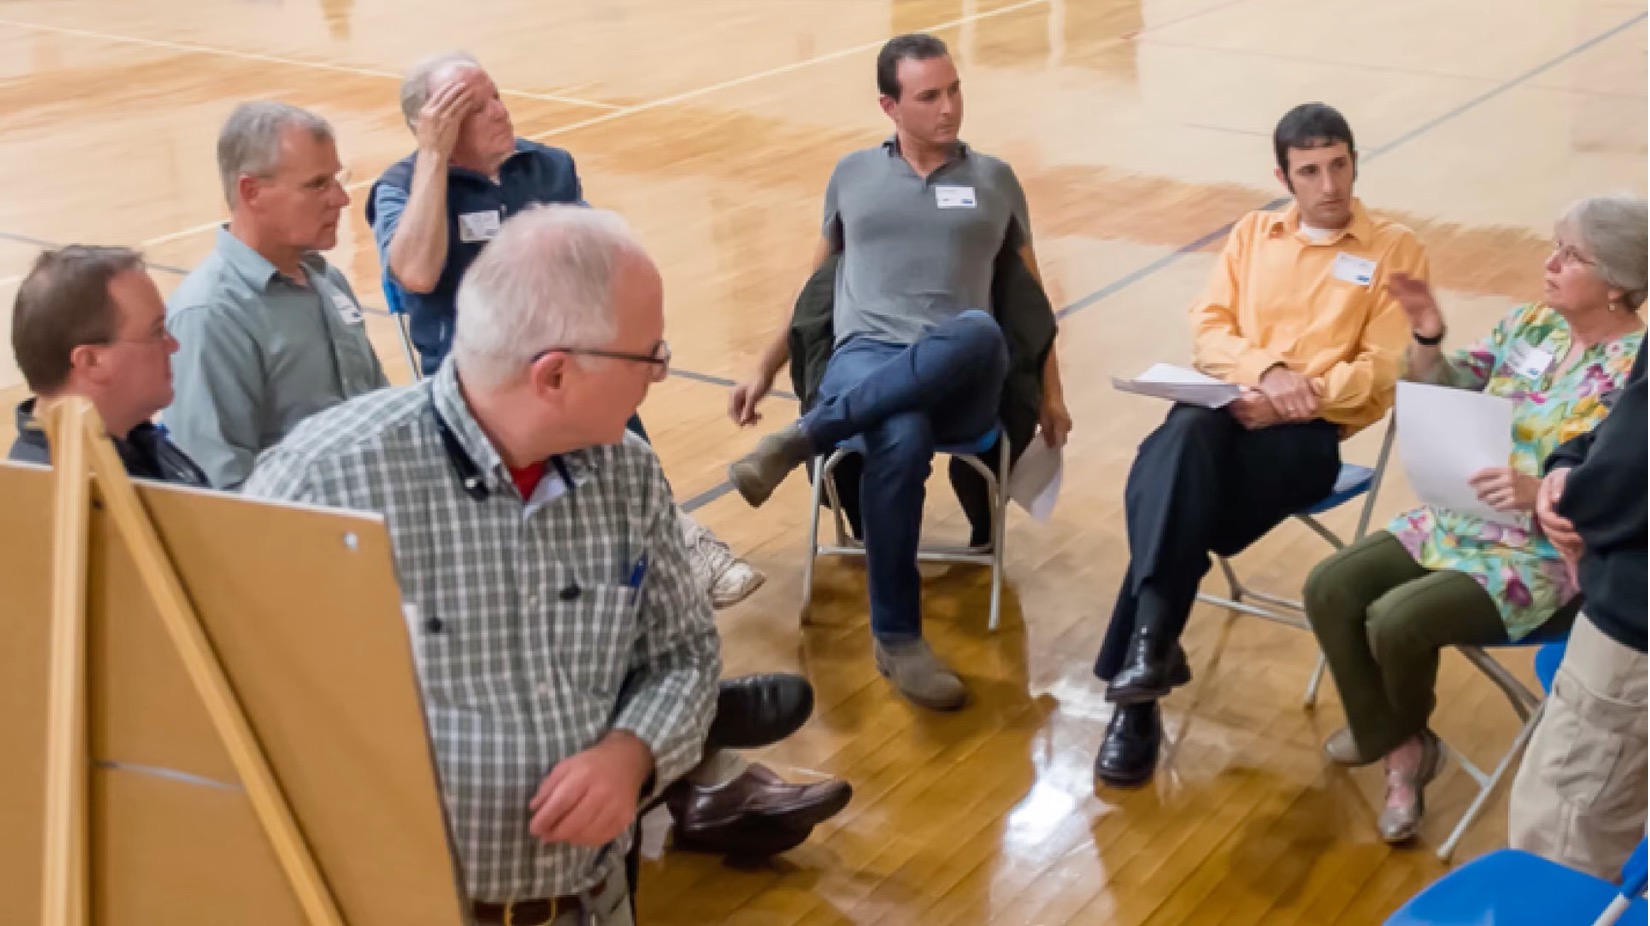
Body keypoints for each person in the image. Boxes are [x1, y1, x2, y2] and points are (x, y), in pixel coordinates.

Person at [247, 206, 719, 924]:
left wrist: (631, 753)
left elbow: (684, 654)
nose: (660, 373)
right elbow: (222, 713)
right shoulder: (320, 485)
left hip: (591, 901)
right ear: (554, 375)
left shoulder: (631, 476)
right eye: (650, 354)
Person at [1089, 102, 1429, 788]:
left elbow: (1386, 367)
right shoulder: (1251, 234)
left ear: (1355, 162)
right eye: (1310, 171)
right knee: (1186, 432)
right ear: (1284, 175)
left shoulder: (1396, 249)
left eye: (1340, 165)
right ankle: (1148, 666)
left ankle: (1143, 673)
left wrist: (1295, 397)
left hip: (1308, 438)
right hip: (1233, 410)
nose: (1329, 184)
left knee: (1169, 483)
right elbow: (1210, 330)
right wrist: (1264, 375)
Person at [724, 33, 1067, 712]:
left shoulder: (994, 179)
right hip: (865, 359)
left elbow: (1031, 300)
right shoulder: (851, 176)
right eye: (929, 96)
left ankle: (802, 438)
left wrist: (1052, 393)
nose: (949, 108)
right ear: (890, 105)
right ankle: (898, 637)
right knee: (900, 431)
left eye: (954, 90)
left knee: (978, 329)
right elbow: (814, 289)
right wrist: (765, 366)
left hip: (967, 372)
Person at [1304, 193, 1646, 844]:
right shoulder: (1532, 327)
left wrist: (1539, 487)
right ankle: (1402, 742)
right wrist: (1429, 341)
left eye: (1571, 255)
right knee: (1331, 585)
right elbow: (1454, 385)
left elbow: (1611, 488)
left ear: (1617, 285)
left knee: (1397, 621)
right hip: (1460, 520)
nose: (1549, 262)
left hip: (1543, 558)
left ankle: (1400, 765)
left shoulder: (1634, 370)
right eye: (1554, 244)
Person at [369, 50, 763, 610]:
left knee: (608, 378)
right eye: (475, 108)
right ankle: (649, 548)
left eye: (497, 96)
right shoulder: (403, 186)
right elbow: (415, 271)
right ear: (433, 124)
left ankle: (665, 535)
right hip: (476, 384)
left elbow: (601, 264)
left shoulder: (547, 167)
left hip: (564, 361)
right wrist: (432, 158)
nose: (501, 112)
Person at [1509, 217, 1647, 879]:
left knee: (1560, 840)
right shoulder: (1533, 326)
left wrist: (1566, 499)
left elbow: (1628, 470)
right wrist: (1566, 466)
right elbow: (1619, 429)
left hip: (1631, 640)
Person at [163, 101, 388, 490]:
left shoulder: (327, 280)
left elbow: (377, 413)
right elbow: (218, 490)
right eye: (317, 184)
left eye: (337, 179)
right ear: (252, 192)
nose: (341, 198)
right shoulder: (211, 315)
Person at [9, 245, 207, 485]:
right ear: (91, 362)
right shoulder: (70, 503)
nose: (173, 345)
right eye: (156, 333)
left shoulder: (132, 438)